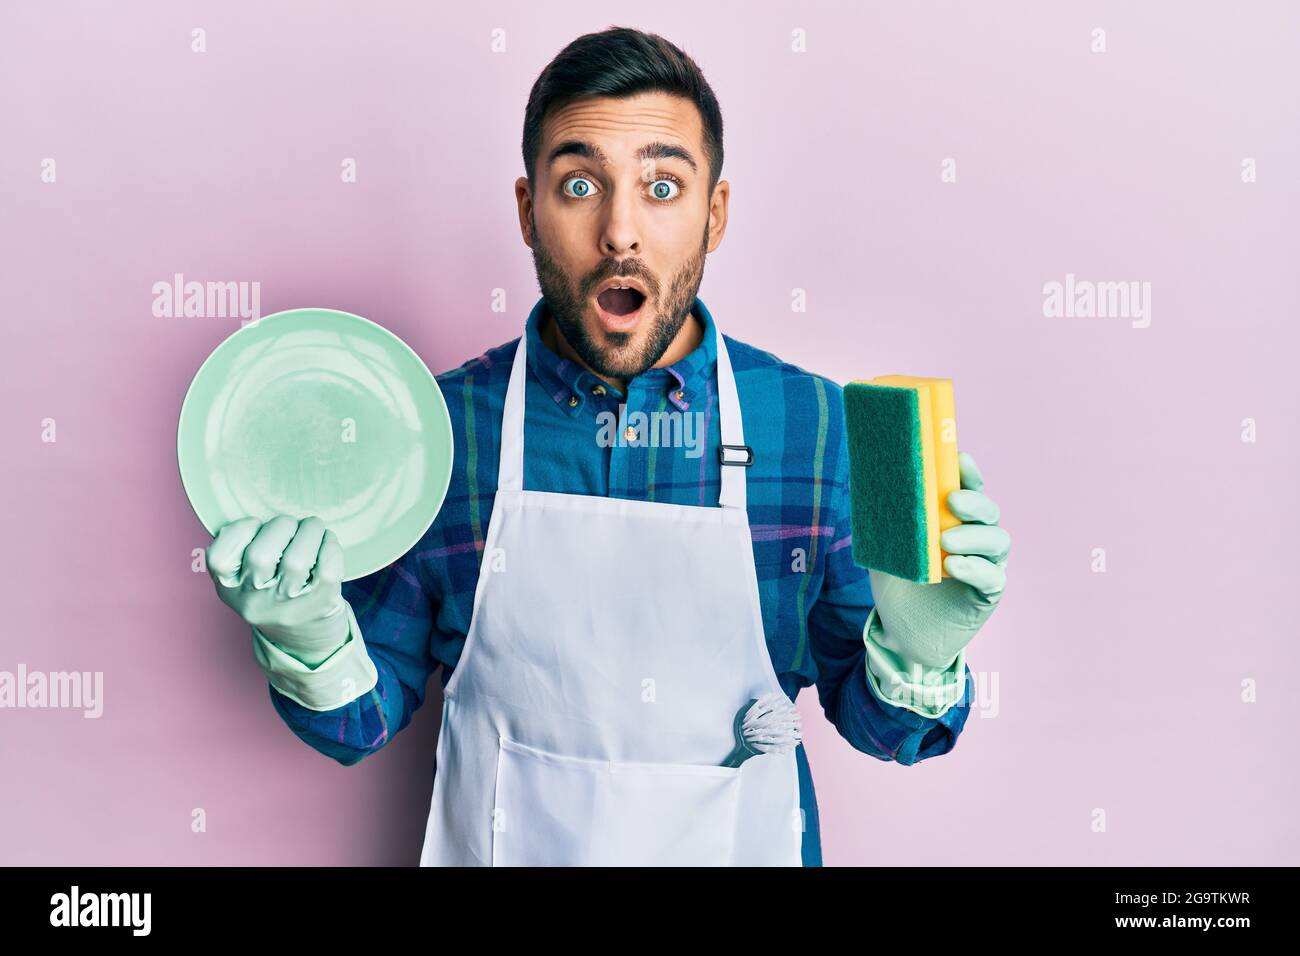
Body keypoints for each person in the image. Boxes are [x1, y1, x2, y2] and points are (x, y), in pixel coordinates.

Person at [205, 26, 1011, 867]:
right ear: (528, 210)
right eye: (581, 184)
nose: (620, 231)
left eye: (663, 186)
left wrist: (921, 655)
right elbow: (359, 727)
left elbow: (884, 731)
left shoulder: (816, 431)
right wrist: (306, 637)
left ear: (715, 215)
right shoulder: (436, 434)